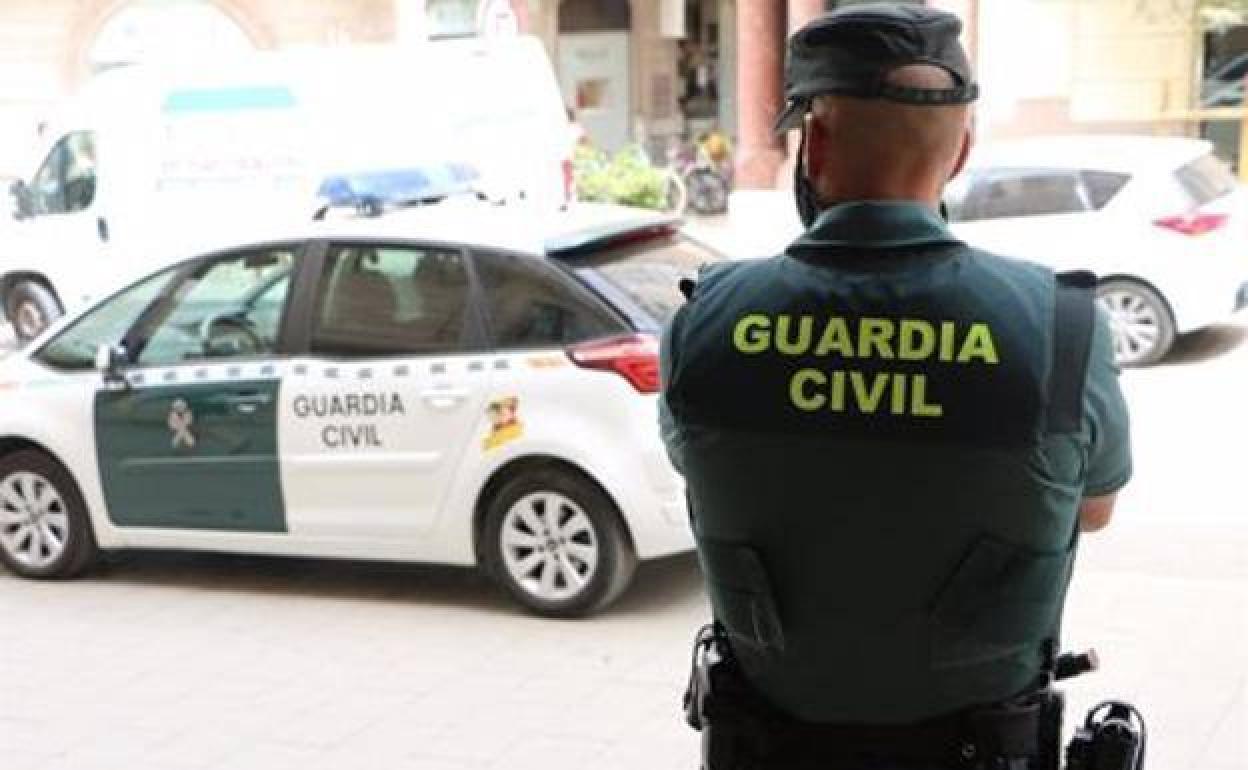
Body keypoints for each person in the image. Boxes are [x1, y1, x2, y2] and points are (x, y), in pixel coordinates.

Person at [660, 4, 1132, 769]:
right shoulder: (1063, 329)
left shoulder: (704, 323)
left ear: (811, 142)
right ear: (962, 151)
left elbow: (704, 468)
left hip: (771, 747)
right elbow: (1095, 507)